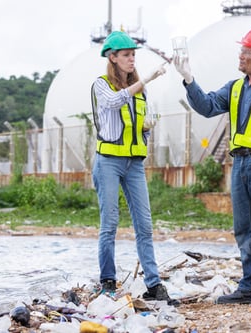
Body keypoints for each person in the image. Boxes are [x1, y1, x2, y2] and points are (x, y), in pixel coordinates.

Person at [174, 26, 251, 304]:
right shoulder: (234, 88)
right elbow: (207, 106)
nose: (241, 55)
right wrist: (188, 79)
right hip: (240, 165)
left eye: (247, 51)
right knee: (244, 228)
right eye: (242, 49)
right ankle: (250, 285)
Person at [91, 30, 179, 306]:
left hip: (135, 163)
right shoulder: (101, 84)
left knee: (145, 225)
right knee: (110, 223)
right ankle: (107, 281)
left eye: (133, 55)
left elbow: (141, 120)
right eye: (126, 55)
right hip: (108, 161)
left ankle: (153, 284)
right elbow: (114, 102)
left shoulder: (141, 90)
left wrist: (145, 130)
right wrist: (146, 79)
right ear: (112, 57)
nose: (131, 59)